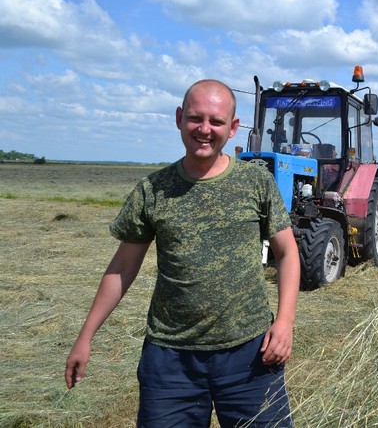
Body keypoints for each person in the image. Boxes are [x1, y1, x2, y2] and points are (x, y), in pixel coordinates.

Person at [65, 79, 300, 427]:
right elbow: (121, 269)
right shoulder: (153, 190)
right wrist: (85, 338)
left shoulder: (255, 183)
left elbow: (287, 253)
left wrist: (284, 322)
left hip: (250, 355)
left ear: (233, 128)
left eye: (216, 122)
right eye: (195, 118)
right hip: (171, 361)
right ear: (179, 118)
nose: (204, 129)